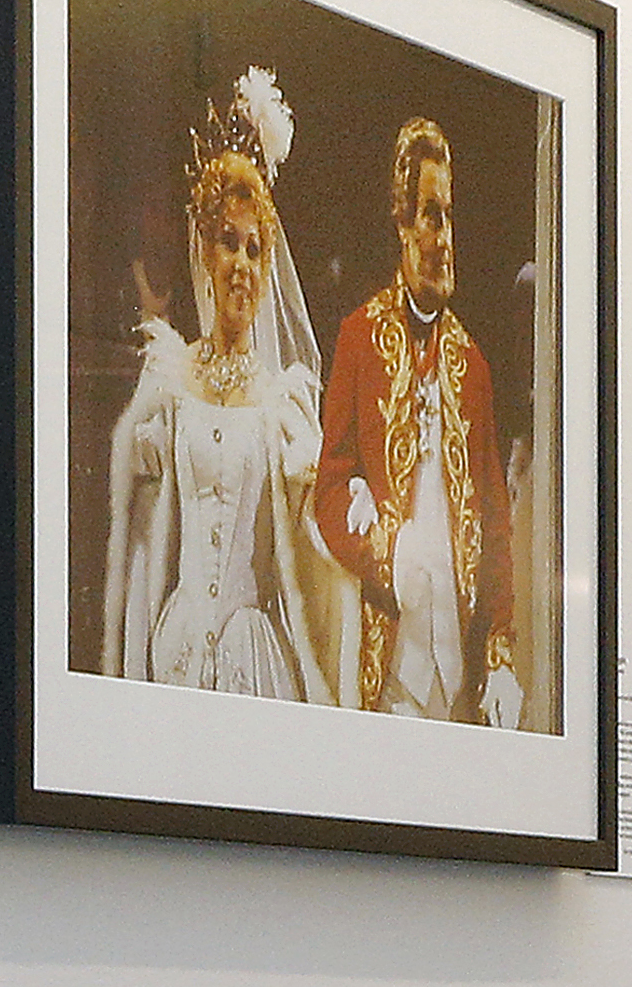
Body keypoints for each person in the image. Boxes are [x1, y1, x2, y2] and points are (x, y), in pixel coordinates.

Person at [98, 72, 347, 703]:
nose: (240, 263)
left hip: (250, 658)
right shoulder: (171, 386)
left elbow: (309, 559)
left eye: (254, 248)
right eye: (227, 242)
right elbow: (147, 547)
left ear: (267, 267)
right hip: (177, 644)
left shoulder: (281, 405)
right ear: (203, 250)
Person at [316, 115, 526, 727]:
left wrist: (502, 657)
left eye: (450, 217)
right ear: (402, 224)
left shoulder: (474, 365)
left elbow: (495, 526)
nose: (444, 238)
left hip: (459, 679)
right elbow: (329, 491)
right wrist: (390, 548)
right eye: (431, 216)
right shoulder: (359, 338)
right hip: (386, 666)